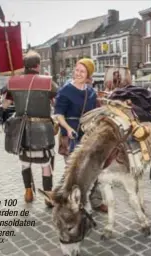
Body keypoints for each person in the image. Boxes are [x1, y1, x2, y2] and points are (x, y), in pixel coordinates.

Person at [2, 50, 57, 206]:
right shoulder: (47, 81)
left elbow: (4, 105)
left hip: (22, 129)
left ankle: (28, 192)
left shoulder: (13, 81)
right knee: (46, 163)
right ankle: (48, 196)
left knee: (25, 162)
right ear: (38, 65)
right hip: (43, 129)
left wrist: (11, 88)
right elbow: (56, 103)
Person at [54, 58, 108, 213]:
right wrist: (68, 128)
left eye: (82, 71)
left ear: (88, 75)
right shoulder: (65, 90)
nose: (78, 73)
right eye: (77, 70)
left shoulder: (91, 92)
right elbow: (58, 114)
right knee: (73, 171)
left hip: (87, 134)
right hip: (70, 135)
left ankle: (96, 201)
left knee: (94, 167)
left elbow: (94, 112)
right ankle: (67, 200)